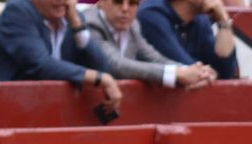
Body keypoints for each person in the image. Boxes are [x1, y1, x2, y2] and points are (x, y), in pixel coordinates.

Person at [0, 0, 122, 115]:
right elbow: (41, 64)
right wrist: (98, 78)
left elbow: (102, 66)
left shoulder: (73, 17)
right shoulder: (18, 11)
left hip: (40, 113)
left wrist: (77, 25)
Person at [81, 0, 215, 88]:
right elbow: (116, 65)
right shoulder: (89, 22)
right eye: (118, 1)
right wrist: (176, 73)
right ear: (102, 2)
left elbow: (153, 57)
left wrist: (195, 71)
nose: (125, 9)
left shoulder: (133, 25)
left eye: (133, 3)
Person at [136, 0, 237, 80]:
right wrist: (209, 73)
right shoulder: (151, 15)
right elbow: (185, 67)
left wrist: (224, 22)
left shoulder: (200, 20)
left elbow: (226, 72)